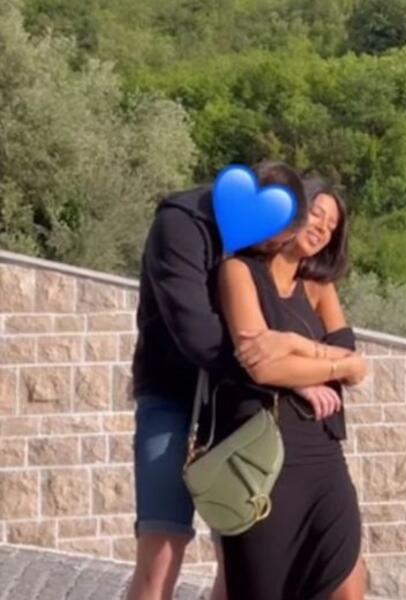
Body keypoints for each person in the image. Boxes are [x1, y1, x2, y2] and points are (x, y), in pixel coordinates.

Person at [128, 162, 310, 600]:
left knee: (240, 554)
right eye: (275, 241)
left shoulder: (259, 244)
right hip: (171, 396)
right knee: (162, 551)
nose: (274, 251)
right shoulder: (180, 225)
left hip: (234, 404)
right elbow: (198, 334)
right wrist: (280, 375)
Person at [215, 178, 368, 600]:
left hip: (323, 454)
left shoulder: (319, 288)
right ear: (292, 211)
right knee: (261, 588)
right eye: (317, 214)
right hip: (261, 455)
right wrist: (318, 369)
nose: (323, 228)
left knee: (346, 586)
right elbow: (261, 364)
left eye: (332, 225)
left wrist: (291, 344)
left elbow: (354, 367)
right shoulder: (239, 271)